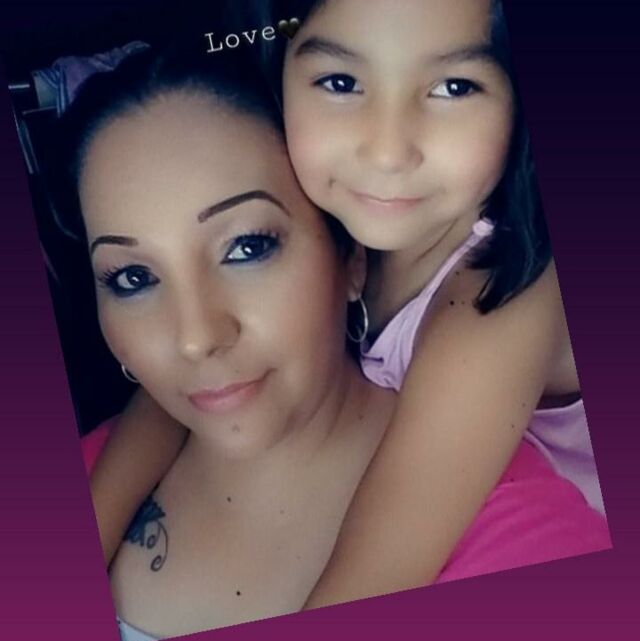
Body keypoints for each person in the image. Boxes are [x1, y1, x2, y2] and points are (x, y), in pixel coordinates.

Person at [81, 0, 609, 623]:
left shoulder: (501, 303)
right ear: (279, 73)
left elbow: (376, 577)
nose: (386, 152)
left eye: (453, 86)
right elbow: (182, 384)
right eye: (339, 82)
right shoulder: (373, 223)